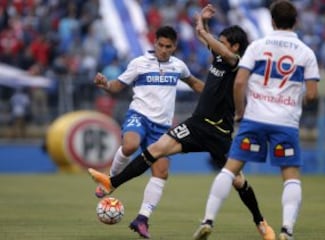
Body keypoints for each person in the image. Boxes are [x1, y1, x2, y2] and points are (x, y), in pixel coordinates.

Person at [89, 4, 275, 240]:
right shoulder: (218, 56)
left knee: (238, 181)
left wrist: (202, 30)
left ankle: (261, 223)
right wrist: (203, 24)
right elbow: (211, 46)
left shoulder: (236, 60)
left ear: (235, 46)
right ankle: (113, 184)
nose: (217, 45)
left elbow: (219, 57)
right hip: (196, 124)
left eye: (223, 41)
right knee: (154, 151)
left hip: (219, 132)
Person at [193, 1, 320, 240]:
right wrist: (293, 102)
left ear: (272, 21)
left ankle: (207, 220)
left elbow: (240, 83)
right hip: (286, 122)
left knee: (229, 170)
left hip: (255, 118)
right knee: (290, 176)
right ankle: (286, 230)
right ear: (296, 22)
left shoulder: (258, 47)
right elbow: (312, 95)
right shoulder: (306, 52)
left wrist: (241, 112)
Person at [91, 24, 204, 228]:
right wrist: (106, 85)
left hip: (162, 128)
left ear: (174, 46)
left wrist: (217, 96)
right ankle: (109, 180)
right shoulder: (139, 63)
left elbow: (195, 83)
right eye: (160, 45)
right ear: (155, 43)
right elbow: (118, 85)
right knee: (131, 145)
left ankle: (143, 219)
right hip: (139, 116)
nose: (163, 50)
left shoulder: (178, 66)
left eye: (168, 46)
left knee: (161, 173)